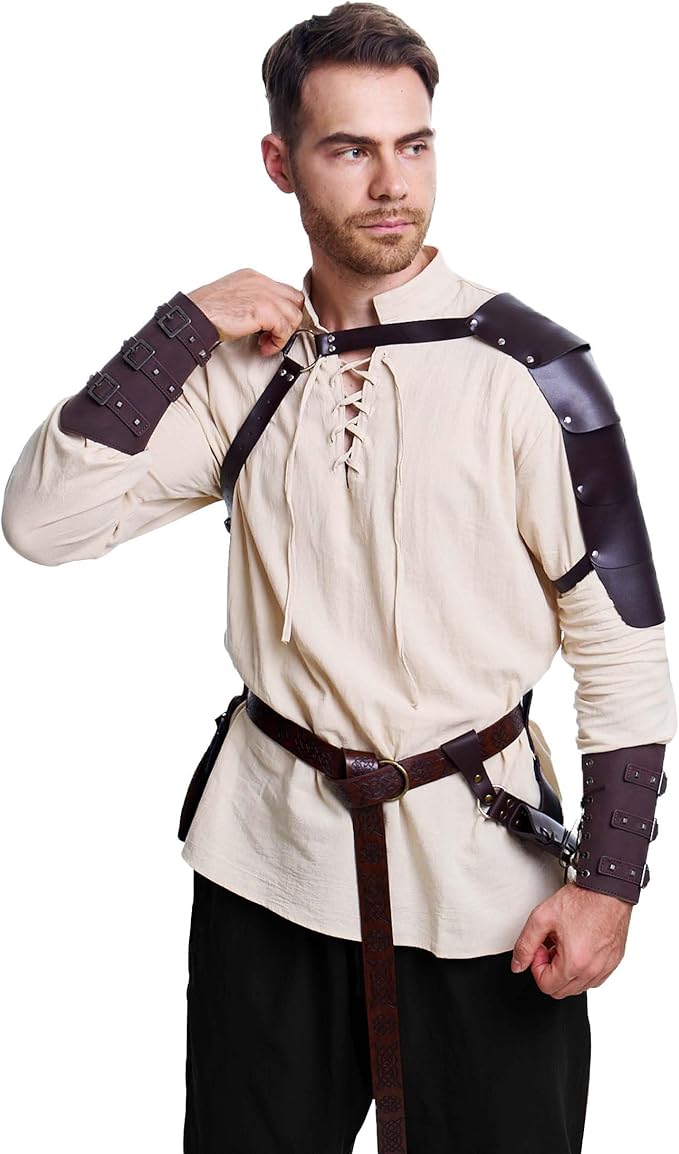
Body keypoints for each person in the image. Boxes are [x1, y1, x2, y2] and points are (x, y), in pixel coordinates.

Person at [2, 4, 675, 1153]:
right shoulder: (240, 368)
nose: (391, 183)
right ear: (280, 162)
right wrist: (178, 329)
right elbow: (40, 522)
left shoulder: (531, 374)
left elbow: (621, 641)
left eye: (413, 145)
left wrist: (608, 880)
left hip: (484, 885)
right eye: (349, 148)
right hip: (270, 866)